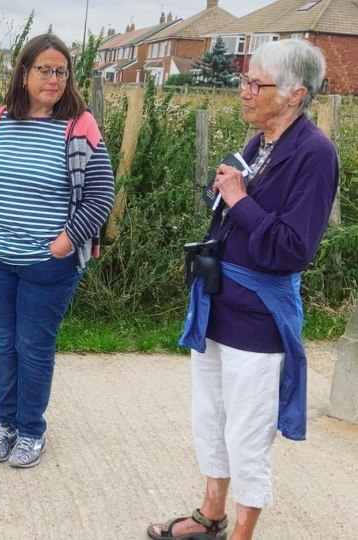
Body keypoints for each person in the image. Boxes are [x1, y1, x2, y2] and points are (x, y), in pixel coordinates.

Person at [149, 39, 338, 540]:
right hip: (217, 304)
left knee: (247, 433)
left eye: (257, 84)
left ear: (295, 94)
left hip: (258, 318)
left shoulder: (315, 154)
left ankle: (242, 533)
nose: (245, 92)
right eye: (244, 80)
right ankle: (212, 515)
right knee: (209, 418)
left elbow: (292, 249)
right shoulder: (261, 141)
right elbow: (243, 218)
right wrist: (226, 197)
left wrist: (237, 199)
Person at [0, 33, 115, 468]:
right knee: (2, 342)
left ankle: (30, 431)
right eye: (44, 70)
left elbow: (101, 196)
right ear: (24, 73)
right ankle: (4, 424)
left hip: (47, 264)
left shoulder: (78, 125)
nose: (53, 78)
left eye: (60, 71)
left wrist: (64, 244)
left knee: (33, 346)